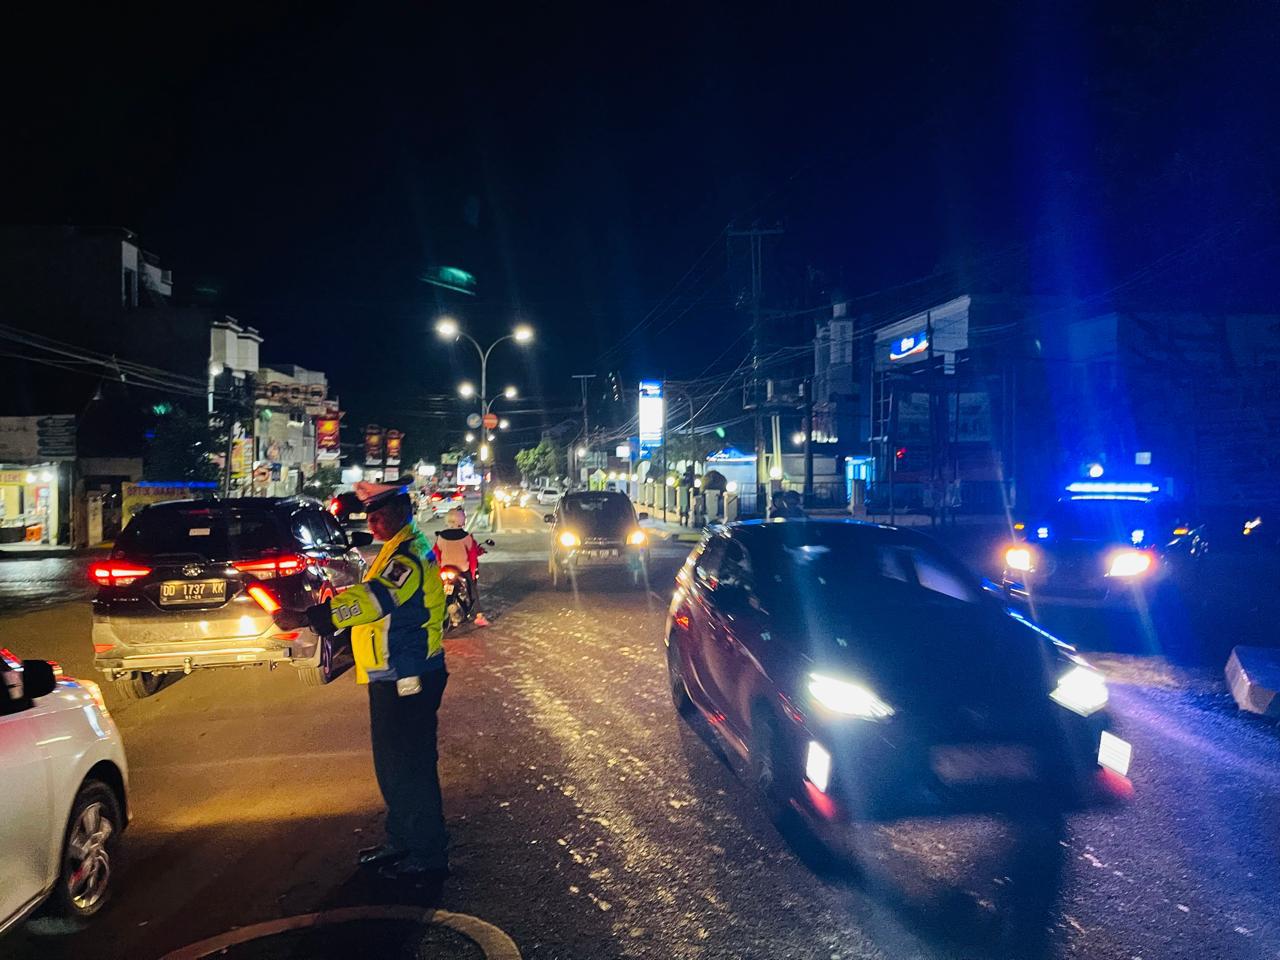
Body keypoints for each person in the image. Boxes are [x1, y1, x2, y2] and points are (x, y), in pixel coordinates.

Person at [304, 479, 448, 891]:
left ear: (402, 511)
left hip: (408, 676)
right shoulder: (396, 548)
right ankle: (402, 842)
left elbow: (377, 599)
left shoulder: (409, 554)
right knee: (393, 766)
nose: (372, 522)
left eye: (379, 514)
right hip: (391, 674)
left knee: (410, 767)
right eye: (369, 515)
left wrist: (321, 616)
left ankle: (426, 855)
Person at [433, 507, 488, 627]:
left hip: (445, 569)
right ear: (462, 520)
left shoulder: (441, 536)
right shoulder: (466, 537)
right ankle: (479, 616)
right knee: (472, 588)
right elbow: (472, 554)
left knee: (437, 588)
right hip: (462, 569)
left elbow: (436, 552)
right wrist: (472, 572)